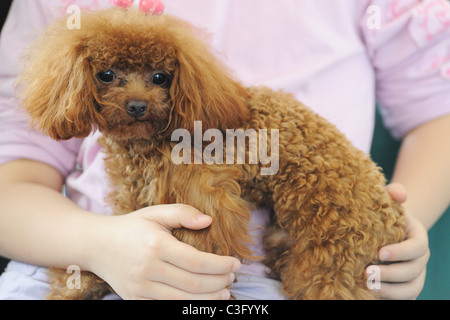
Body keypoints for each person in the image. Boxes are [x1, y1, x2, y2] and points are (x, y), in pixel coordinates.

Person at [0, 0, 448, 300]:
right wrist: (94, 247)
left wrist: (391, 238)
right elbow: (14, 171)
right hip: (67, 249)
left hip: (255, 281)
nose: (135, 97)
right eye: (108, 77)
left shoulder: (200, 147)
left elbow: (438, 112)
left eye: (159, 79)